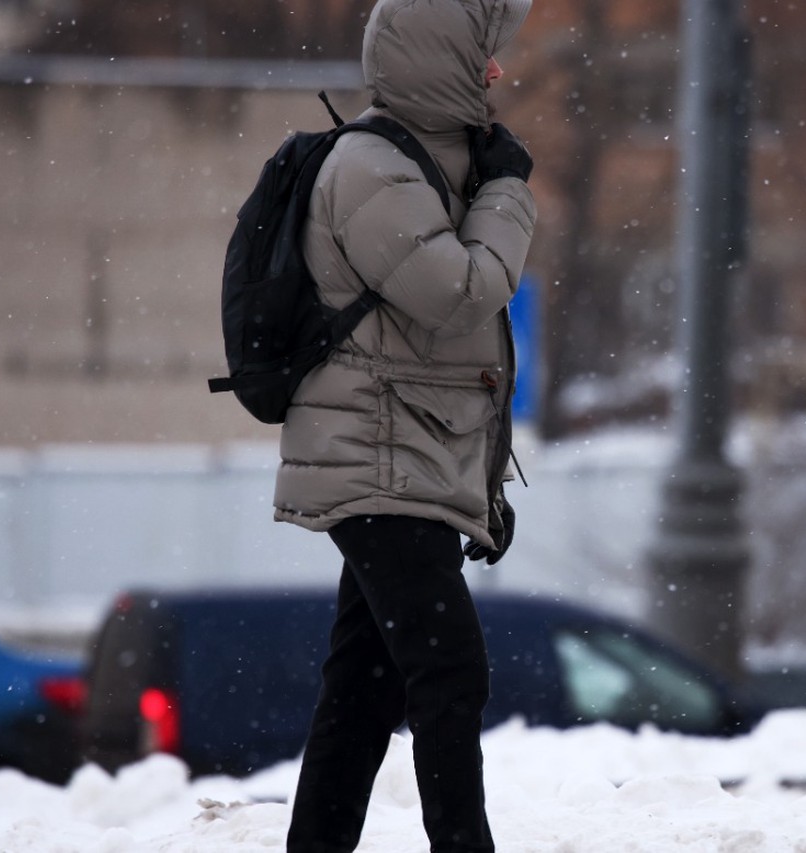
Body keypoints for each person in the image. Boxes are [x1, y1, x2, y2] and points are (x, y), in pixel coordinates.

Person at [277, 0, 536, 851]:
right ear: (442, 58)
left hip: (402, 455)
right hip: (373, 457)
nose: (496, 73)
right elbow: (458, 293)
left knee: (365, 683)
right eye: (483, 56)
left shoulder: (427, 161)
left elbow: (448, 360)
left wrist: (480, 485)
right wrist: (507, 193)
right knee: (450, 667)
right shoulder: (370, 166)